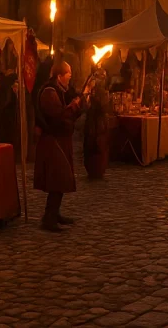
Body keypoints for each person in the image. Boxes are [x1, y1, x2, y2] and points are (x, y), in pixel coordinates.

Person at [34, 61, 85, 232]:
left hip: (60, 139)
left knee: (60, 178)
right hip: (52, 140)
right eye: (68, 73)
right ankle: (49, 219)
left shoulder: (60, 91)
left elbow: (70, 116)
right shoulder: (49, 92)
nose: (70, 76)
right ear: (59, 75)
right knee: (58, 177)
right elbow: (59, 117)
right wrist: (74, 105)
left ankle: (54, 214)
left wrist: (79, 104)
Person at [83, 69, 111, 178]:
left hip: (99, 122)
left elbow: (104, 107)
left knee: (100, 145)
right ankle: (93, 168)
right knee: (91, 144)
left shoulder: (103, 92)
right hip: (93, 122)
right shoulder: (92, 91)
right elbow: (86, 105)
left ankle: (98, 168)